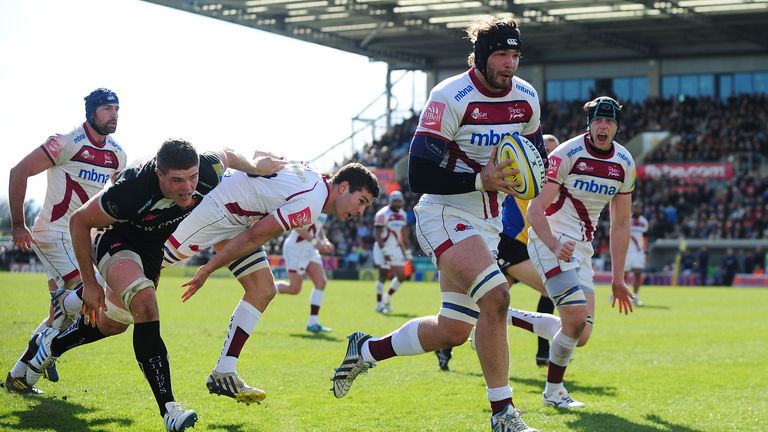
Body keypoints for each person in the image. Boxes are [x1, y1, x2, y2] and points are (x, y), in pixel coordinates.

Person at [330, 16, 548, 432]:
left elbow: (533, 156)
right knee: (497, 298)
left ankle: (367, 350)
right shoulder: (450, 96)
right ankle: (503, 414)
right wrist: (480, 178)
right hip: (443, 213)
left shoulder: (527, 97)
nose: (509, 64)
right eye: (501, 54)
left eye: (515, 55)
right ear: (482, 57)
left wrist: (526, 178)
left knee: (452, 331)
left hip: (487, 220)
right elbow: (420, 175)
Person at [25, 139, 284, 432]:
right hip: (113, 238)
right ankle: (170, 410)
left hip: (150, 249)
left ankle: (52, 341)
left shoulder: (208, 169)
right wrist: (89, 280)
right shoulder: (130, 191)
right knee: (146, 305)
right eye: (177, 180)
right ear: (159, 174)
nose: (187, 188)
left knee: (116, 322)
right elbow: (80, 221)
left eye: (192, 178)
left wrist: (253, 166)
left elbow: (228, 154)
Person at [164, 162, 378, 405]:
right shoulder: (313, 201)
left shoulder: (312, 176)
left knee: (263, 289)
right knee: (142, 278)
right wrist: (208, 268)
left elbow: (264, 159)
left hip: (234, 215)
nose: (361, 211)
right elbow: (255, 236)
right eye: (361, 201)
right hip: (218, 210)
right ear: (344, 187)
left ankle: (224, 371)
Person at [512, 96, 635, 409]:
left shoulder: (624, 164)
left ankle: (500, 314)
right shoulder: (567, 153)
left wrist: (618, 278)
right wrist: (553, 243)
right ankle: (554, 393)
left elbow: (621, 224)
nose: (603, 126)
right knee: (576, 317)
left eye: (609, 121)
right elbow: (535, 210)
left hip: (581, 249)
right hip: (548, 240)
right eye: (598, 120)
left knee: (580, 333)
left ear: (617, 126)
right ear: (589, 124)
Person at [5, 88, 126, 394]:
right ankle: (49, 346)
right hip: (52, 233)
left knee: (62, 312)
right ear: (92, 112)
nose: (114, 114)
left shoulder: (118, 155)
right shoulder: (65, 142)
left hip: (80, 239)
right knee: (89, 293)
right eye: (107, 108)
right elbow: (18, 172)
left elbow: (116, 201)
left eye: (117, 109)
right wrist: (19, 225)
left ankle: (22, 373)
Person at [435, 134, 560, 372]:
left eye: (553, 154)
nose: (550, 159)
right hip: (509, 241)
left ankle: (445, 345)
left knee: (482, 303)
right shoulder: (521, 171)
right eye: (547, 153)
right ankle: (544, 352)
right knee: (548, 287)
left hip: (524, 245)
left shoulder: (551, 181)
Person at [274, 212, 336, 333]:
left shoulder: (326, 203)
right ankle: (268, 288)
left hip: (309, 249)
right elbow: (296, 226)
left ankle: (313, 323)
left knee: (321, 283)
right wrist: (316, 243)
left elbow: (319, 226)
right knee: (294, 289)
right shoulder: (313, 199)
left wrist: (325, 240)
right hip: (296, 248)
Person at [372, 190, 411, 314]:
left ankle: (386, 298)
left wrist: (407, 251)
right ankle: (379, 304)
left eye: (399, 201)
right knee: (383, 276)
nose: (397, 203)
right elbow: (378, 234)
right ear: (391, 201)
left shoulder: (403, 215)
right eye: (395, 201)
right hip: (382, 247)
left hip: (396, 248)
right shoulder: (382, 214)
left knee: (401, 276)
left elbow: (404, 234)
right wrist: (384, 251)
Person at [624, 203, 649, 306]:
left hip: (639, 252)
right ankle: (621, 295)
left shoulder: (644, 222)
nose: (638, 209)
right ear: (632, 208)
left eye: (639, 207)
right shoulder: (627, 219)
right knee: (624, 275)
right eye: (636, 207)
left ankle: (635, 296)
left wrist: (646, 251)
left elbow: (646, 236)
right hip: (626, 251)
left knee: (638, 274)